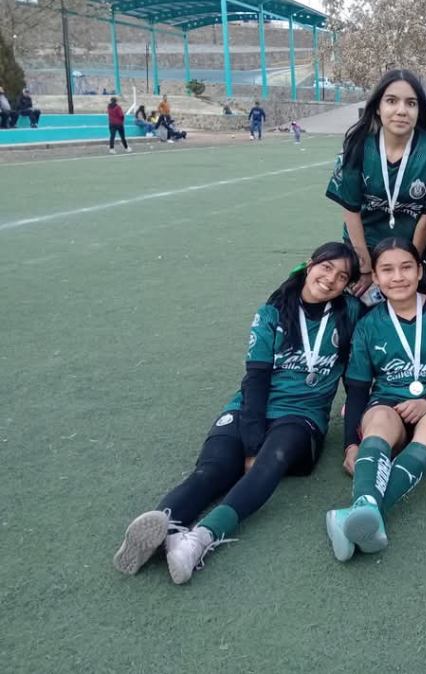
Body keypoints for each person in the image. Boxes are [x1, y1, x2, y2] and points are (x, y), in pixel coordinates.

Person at [112, 243, 363, 583]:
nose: (331, 279)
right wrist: (250, 443)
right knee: (212, 470)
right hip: (249, 408)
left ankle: (200, 540)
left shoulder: (350, 312)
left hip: (301, 418)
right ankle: (162, 526)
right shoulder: (273, 311)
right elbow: (256, 379)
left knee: (271, 459)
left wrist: (351, 441)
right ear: (309, 265)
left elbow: (359, 382)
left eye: (342, 276)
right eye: (326, 268)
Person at [325, 238, 426, 561]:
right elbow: (359, 389)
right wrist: (351, 443)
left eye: (407, 267)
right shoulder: (369, 324)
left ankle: (355, 514)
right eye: (387, 270)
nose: (398, 277)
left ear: (420, 271)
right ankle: (364, 514)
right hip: (388, 410)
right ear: (375, 278)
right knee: (378, 418)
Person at [326, 69, 426, 304]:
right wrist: (364, 267)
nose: (401, 110)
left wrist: (407, 267)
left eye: (411, 103)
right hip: (363, 249)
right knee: (356, 319)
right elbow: (351, 210)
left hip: (410, 252)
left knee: (405, 319)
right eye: (392, 101)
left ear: (419, 110)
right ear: (377, 107)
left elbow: (425, 221)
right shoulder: (357, 147)